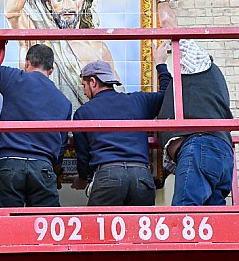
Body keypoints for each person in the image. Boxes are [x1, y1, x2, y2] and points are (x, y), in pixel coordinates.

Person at [144, 0, 234, 206]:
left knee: (184, 218)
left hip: (200, 148)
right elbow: (168, 93)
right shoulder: (199, 83)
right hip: (219, 155)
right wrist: (159, 65)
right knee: (211, 227)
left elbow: (169, 27)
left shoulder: (197, 60)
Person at [71, 44, 171, 206]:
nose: (84, 92)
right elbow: (168, 96)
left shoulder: (83, 113)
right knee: (138, 230)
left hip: (108, 177)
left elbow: (83, 156)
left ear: (93, 82)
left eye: (84, 86)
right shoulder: (138, 101)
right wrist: (160, 64)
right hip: (141, 177)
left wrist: (83, 178)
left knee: (98, 230)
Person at [0, 42, 72, 208]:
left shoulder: (13, 78)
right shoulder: (64, 102)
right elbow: (61, 145)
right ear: (51, 70)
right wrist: (55, 168)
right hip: (42, 166)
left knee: (8, 227)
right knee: (44, 225)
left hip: (9, 163)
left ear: (27, 63)